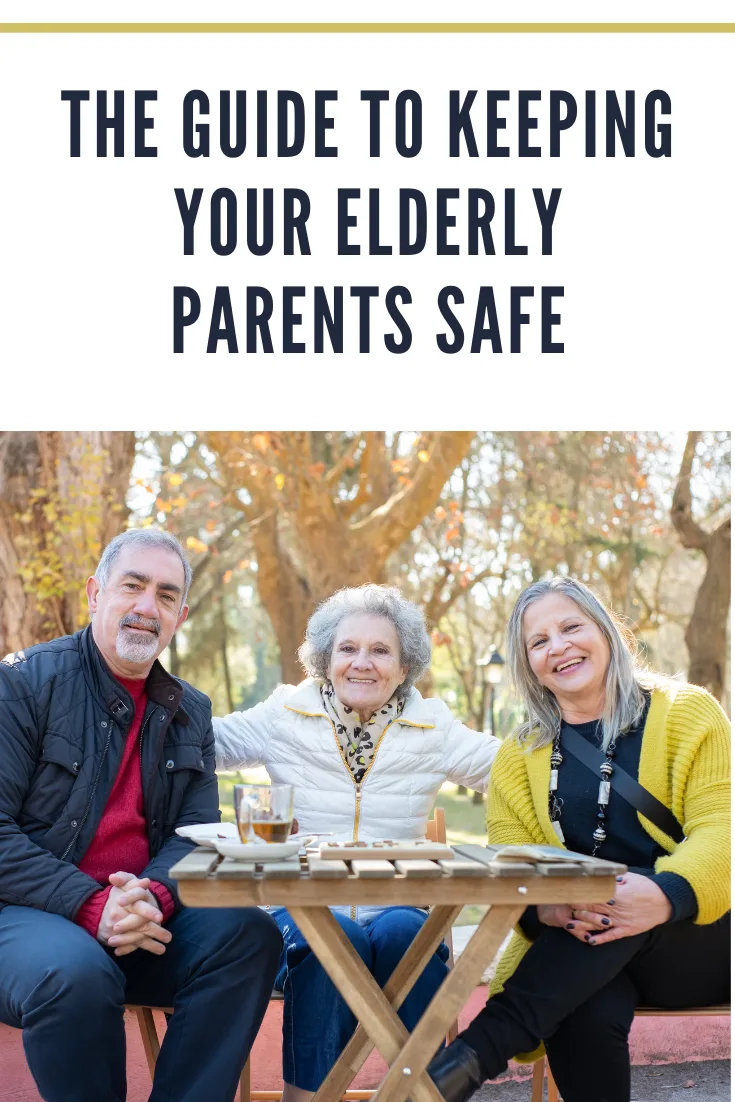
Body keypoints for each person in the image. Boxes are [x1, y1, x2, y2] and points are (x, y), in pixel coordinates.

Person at [0, 528, 282, 1102]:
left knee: (250, 934)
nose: (147, 607)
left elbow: (196, 836)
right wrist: (90, 903)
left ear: (179, 616)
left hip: (139, 917)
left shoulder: (189, 711)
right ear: (95, 593)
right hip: (24, 916)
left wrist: (150, 896)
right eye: (133, 586)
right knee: (76, 972)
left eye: (166, 595)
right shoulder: (21, 685)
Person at [426, 576, 731, 1102]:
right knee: (581, 1008)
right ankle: (463, 1064)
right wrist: (542, 910)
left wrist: (660, 895)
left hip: (697, 941)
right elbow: (511, 865)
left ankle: (474, 1055)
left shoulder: (687, 712)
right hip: (581, 952)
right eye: (538, 642)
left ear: (607, 632)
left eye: (571, 627)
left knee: (609, 897)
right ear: (529, 665)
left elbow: (721, 832)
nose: (558, 647)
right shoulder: (519, 756)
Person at [215, 583, 500, 1102]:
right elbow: (203, 743)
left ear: (404, 664)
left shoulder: (433, 726)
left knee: (402, 935)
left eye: (380, 650)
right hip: (297, 911)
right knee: (331, 938)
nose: (361, 663)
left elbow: (512, 769)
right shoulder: (284, 713)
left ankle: (426, 1095)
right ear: (326, 658)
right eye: (348, 648)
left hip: (400, 904)